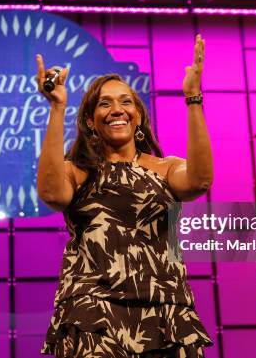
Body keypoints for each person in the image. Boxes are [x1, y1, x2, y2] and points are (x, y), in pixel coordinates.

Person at [36, 34, 214, 357]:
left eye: (125, 101)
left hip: (164, 313)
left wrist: (193, 98)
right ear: (90, 121)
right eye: (105, 103)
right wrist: (57, 107)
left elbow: (200, 181)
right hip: (95, 314)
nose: (116, 109)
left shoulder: (165, 169)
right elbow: (50, 193)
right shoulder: (77, 171)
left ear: (139, 117)